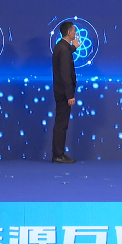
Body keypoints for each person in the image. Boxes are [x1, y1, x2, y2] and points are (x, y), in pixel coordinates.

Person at [51, 21, 80, 163]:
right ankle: (58, 155)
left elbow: (66, 52)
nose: (75, 33)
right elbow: (65, 73)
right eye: (74, 31)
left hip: (60, 91)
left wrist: (73, 47)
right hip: (63, 93)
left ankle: (59, 153)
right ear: (69, 33)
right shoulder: (63, 49)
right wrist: (70, 95)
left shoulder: (61, 47)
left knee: (61, 123)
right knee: (61, 124)